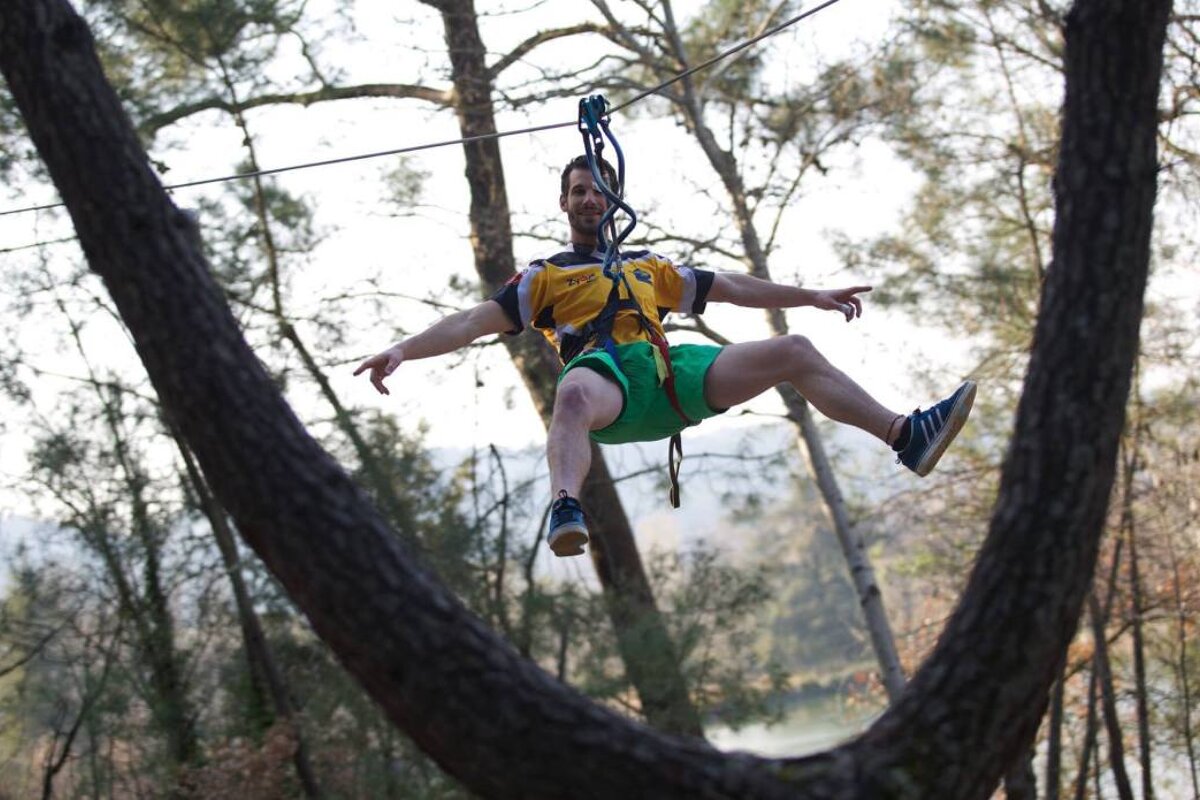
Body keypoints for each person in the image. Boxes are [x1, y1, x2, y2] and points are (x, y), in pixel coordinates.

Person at [355, 155, 976, 557]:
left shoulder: (651, 268)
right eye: (578, 191)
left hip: (668, 372)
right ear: (565, 205)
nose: (589, 199)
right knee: (570, 394)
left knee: (793, 349)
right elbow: (470, 321)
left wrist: (809, 295)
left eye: (599, 190)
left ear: (613, 199)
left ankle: (905, 436)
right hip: (607, 384)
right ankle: (565, 504)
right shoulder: (542, 278)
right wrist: (402, 350)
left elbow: (731, 287)